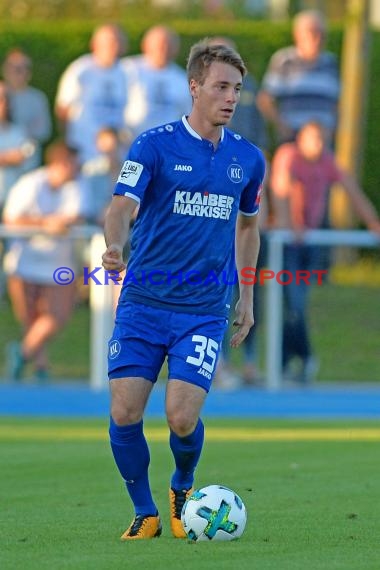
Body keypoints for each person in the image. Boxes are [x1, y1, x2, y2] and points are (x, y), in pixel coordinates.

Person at [101, 39, 265, 540]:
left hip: (202, 310)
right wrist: (114, 246)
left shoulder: (249, 159)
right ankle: (145, 511)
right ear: (194, 87)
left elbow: (247, 226)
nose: (231, 97)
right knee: (125, 410)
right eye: (220, 86)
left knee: (180, 417)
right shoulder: (153, 145)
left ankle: (182, 487)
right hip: (143, 304)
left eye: (236, 88)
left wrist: (248, 296)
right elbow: (120, 207)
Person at [270, 121, 380, 383]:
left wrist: (373, 222)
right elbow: (280, 190)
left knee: (297, 306)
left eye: (323, 140)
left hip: (311, 243)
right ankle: (301, 358)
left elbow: (352, 191)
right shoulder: (289, 156)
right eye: (314, 139)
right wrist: (289, 225)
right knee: (291, 304)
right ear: (302, 139)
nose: (319, 145)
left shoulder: (327, 162)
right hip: (288, 243)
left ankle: (291, 362)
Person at [3, 140, 90, 382]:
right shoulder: (30, 184)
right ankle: (40, 367)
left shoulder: (77, 186)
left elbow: (77, 216)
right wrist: (45, 224)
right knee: (30, 318)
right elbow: (11, 219)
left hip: (58, 264)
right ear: (60, 164)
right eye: (73, 164)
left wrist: (62, 223)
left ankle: (21, 353)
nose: (78, 169)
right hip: (25, 262)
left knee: (57, 317)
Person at [257, 9, 340, 146]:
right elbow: (265, 99)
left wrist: (332, 129)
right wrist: (281, 126)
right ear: (297, 34)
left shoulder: (330, 63)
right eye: (312, 32)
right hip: (292, 141)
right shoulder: (284, 60)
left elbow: (338, 103)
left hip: (323, 145)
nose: (318, 38)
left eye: (322, 34)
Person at [54, 23, 129, 164]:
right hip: (84, 152)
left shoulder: (125, 72)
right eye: (108, 42)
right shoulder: (81, 70)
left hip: (115, 155)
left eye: (117, 41)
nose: (113, 46)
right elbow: (63, 110)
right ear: (94, 44)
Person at [122, 25, 192, 136]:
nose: (163, 49)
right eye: (159, 44)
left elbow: (188, 117)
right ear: (145, 45)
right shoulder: (128, 69)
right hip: (129, 142)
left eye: (169, 45)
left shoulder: (182, 79)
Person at [2, 48, 52, 169]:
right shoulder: (1, 94)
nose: (17, 72)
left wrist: (20, 151)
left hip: (27, 165)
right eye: (13, 67)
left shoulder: (37, 99)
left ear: (29, 72)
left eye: (21, 68)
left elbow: (42, 132)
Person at [0, 81, 35, 213]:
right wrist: (9, 157)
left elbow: (28, 158)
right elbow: (17, 157)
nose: (2, 104)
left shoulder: (19, 133)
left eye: (4, 99)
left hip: (12, 202)